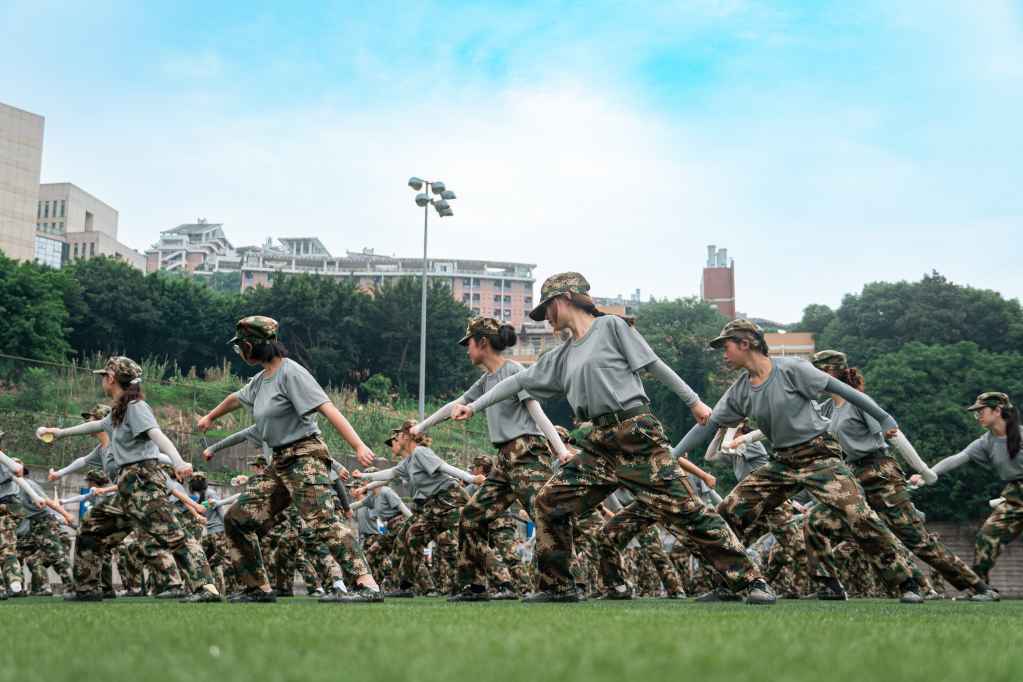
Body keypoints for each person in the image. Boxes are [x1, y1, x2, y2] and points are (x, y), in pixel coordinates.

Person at [452, 273, 773, 604]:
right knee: (549, 502)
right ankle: (559, 586)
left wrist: (693, 401)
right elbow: (517, 383)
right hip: (599, 443)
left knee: (687, 511)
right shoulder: (561, 356)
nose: (545, 317)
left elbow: (654, 365)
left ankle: (751, 581)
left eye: (546, 308)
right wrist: (473, 406)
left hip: (636, 434)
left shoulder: (611, 327)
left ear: (563, 299)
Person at [672, 320, 925, 604]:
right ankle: (734, 584)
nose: (724, 354)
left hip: (819, 456)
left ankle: (907, 583)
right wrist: (673, 456)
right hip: (782, 462)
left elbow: (846, 391)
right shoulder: (740, 389)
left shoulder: (792, 369)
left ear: (746, 343)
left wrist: (884, 418)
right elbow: (708, 426)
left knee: (858, 514)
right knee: (728, 512)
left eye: (726, 346)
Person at [197, 316, 381, 603]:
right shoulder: (260, 381)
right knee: (237, 519)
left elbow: (328, 408)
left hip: (304, 456)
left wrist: (358, 445)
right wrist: (210, 416)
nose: (239, 352)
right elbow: (235, 398)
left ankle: (367, 585)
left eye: (240, 347)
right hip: (280, 461)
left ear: (250, 345)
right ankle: (258, 588)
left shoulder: (291, 373)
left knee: (322, 521)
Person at [804, 351, 996, 602]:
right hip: (851, 477)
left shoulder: (859, 402)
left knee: (917, 539)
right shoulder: (827, 408)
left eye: (814, 372)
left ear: (830, 372)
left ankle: (980, 588)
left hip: (879, 473)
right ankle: (831, 587)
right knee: (816, 521)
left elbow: (893, 433)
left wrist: (924, 470)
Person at [37, 357, 220, 602]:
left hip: (143, 480)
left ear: (111, 378)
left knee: (173, 534)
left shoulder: (136, 407)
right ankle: (87, 589)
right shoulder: (118, 411)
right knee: (91, 528)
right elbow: (94, 426)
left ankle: (206, 588)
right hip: (126, 484)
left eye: (104, 376)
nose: (102, 380)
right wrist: (59, 433)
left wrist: (178, 461)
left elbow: (157, 435)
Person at [413, 317, 566, 601]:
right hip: (505, 459)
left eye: (468, 344)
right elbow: (456, 404)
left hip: (527, 453)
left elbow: (537, 412)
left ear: (482, 342)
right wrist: (422, 426)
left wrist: (561, 449)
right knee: (472, 516)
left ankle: (564, 586)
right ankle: (474, 587)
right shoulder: (486, 381)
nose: (466, 351)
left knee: (545, 515)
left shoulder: (514, 371)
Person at [353, 420, 483, 597]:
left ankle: (486, 585)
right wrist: (363, 477)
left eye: (397, 436)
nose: (395, 439)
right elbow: (390, 474)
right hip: (434, 505)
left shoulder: (421, 452)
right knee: (414, 535)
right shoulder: (408, 461)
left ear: (407, 437)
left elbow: (445, 467)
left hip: (451, 499)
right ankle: (405, 586)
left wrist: (471, 478)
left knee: (463, 540)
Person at [911, 391, 1022, 588]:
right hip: (1014, 496)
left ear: (997, 411)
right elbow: (957, 459)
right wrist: (927, 474)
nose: (978, 416)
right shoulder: (986, 442)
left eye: (981, 411)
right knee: (986, 536)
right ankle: (981, 589)